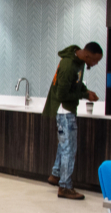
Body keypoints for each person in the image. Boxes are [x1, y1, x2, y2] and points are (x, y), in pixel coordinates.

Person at [43, 42, 104, 201]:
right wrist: (84, 96)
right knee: (69, 148)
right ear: (87, 55)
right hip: (64, 111)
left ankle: (56, 175)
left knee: (64, 144)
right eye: (95, 61)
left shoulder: (79, 62)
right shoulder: (69, 65)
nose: (95, 64)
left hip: (67, 110)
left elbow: (75, 84)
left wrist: (86, 92)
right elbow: (62, 94)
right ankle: (65, 187)